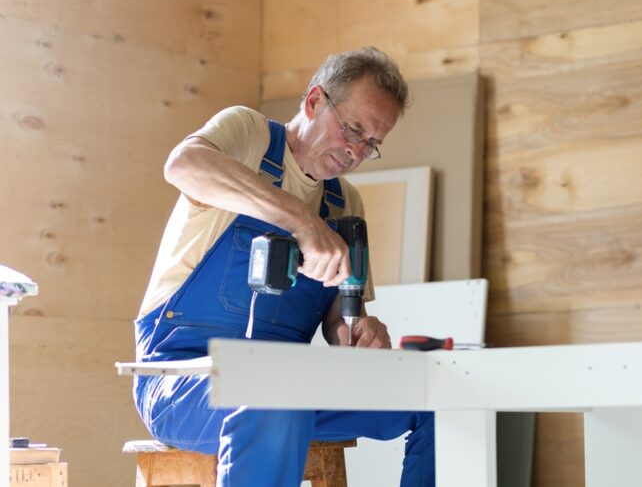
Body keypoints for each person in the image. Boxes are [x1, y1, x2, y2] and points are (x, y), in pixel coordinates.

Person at [132, 47, 434, 486]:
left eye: (372, 144)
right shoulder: (250, 136)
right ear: (314, 101)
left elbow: (339, 320)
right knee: (274, 396)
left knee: (433, 400)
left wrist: (358, 329)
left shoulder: (345, 202)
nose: (355, 151)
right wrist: (300, 220)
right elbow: (184, 164)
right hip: (182, 379)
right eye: (352, 129)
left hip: (290, 385)